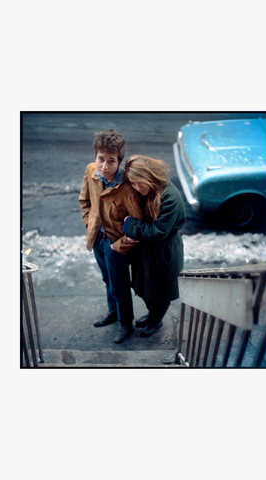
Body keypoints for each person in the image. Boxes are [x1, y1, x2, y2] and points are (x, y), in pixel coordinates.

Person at [78, 129, 144, 343]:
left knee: (119, 284)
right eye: (101, 159)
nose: (104, 167)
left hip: (116, 246)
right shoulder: (90, 171)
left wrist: (118, 246)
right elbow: (84, 201)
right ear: (95, 157)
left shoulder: (128, 187)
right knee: (107, 279)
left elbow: (137, 226)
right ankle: (113, 312)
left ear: (120, 162)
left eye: (111, 161)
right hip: (97, 239)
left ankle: (126, 323)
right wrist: (90, 224)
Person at [113, 154, 186, 337]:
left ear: (149, 176)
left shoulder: (170, 197)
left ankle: (156, 320)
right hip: (146, 251)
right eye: (133, 183)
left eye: (139, 183)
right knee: (145, 289)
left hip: (163, 252)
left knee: (160, 293)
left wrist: (129, 225)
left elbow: (157, 233)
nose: (137, 188)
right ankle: (152, 315)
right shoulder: (148, 190)